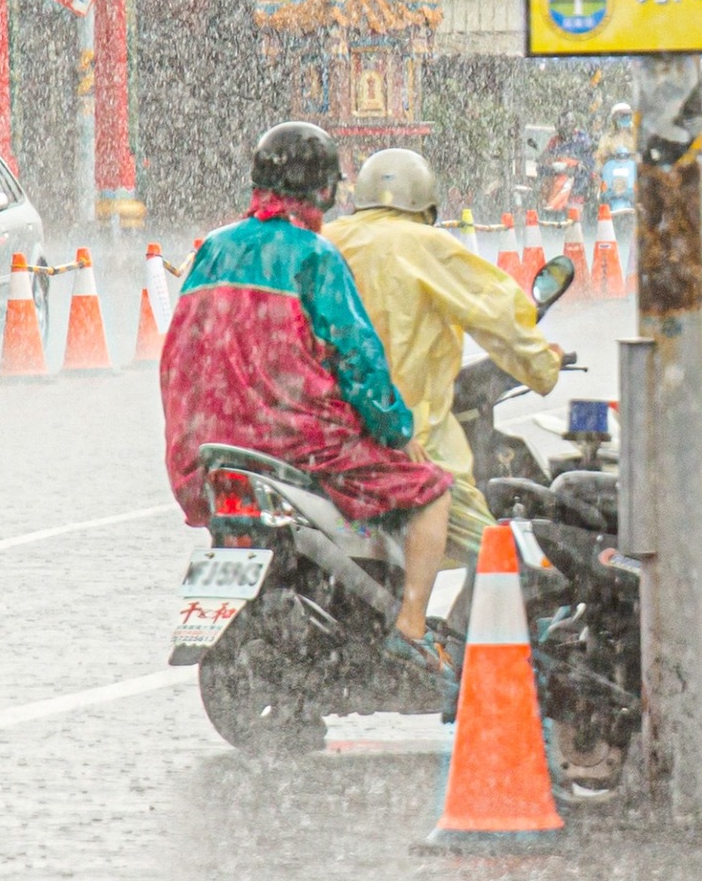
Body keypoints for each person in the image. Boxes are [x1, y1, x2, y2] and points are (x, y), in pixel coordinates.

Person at [160, 122, 453, 649]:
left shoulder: (212, 250)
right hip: (300, 443)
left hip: (208, 448)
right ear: (325, 190)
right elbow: (358, 360)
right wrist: (396, 429)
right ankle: (411, 628)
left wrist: (193, 428)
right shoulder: (315, 256)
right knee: (431, 490)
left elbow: (176, 358)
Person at [325, 148, 563, 559]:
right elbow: (499, 312)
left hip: (324, 436)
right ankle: (447, 620)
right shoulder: (426, 243)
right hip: (408, 433)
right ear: (426, 206)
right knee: (500, 559)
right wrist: (542, 367)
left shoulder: (324, 240)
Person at [537, 107, 595, 216]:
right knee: (542, 187)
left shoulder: (582, 139)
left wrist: (576, 168)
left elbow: (589, 162)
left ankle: (577, 212)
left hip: (577, 183)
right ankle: (547, 210)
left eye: (565, 127)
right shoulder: (554, 141)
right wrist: (548, 165)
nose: (562, 132)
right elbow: (544, 160)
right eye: (561, 128)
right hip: (556, 181)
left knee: (582, 187)